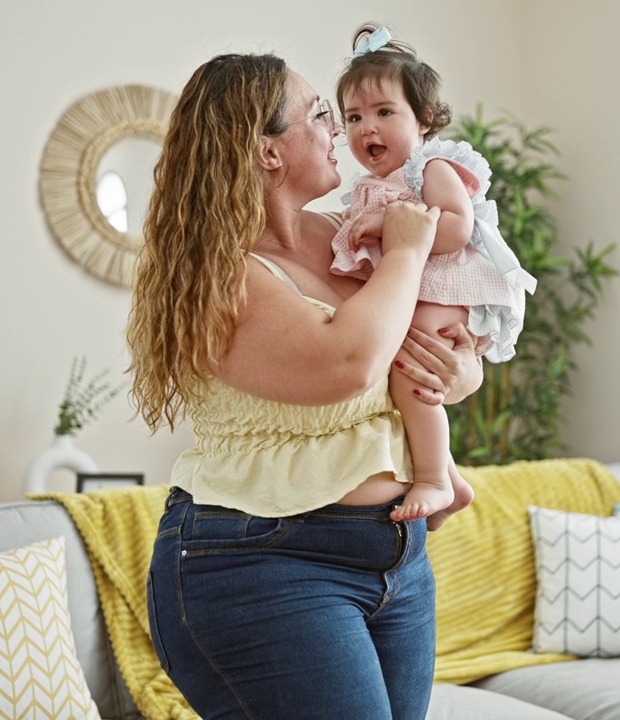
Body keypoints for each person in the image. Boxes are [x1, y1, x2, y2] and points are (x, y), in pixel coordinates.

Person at [127, 52, 485, 720]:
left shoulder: (347, 237)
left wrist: (462, 372)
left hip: (396, 562)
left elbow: (426, 341)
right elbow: (348, 363)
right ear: (267, 150)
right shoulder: (222, 275)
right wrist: (407, 251)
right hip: (261, 565)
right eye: (322, 114)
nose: (339, 132)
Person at [331, 25, 537, 523]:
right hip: (417, 289)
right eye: (354, 117)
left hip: (448, 285)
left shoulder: (431, 166)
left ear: (423, 120)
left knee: (411, 376)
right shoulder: (369, 186)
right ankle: (453, 479)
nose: (367, 129)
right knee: (397, 377)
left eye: (384, 113)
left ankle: (434, 478)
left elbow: (456, 227)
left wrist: (388, 225)